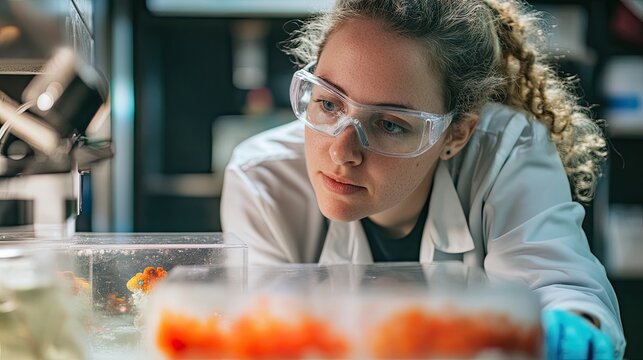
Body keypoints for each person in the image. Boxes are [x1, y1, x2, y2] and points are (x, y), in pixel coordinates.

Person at [220, 0, 626, 358]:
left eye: (390, 124)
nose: (342, 151)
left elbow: (557, 285)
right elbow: (273, 337)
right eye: (328, 103)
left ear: (455, 134)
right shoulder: (264, 178)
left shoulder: (507, 150)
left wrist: (572, 327)